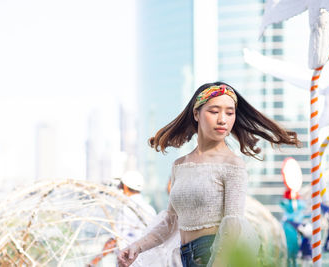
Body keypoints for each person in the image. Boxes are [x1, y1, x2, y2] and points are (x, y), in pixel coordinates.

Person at [118, 82, 301, 267]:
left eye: (229, 113)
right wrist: (136, 247)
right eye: (214, 111)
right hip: (183, 256)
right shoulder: (180, 165)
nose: (223, 120)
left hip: (213, 255)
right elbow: (171, 221)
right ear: (196, 114)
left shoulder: (232, 165)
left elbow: (233, 225)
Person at [88, 171, 156, 266]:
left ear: (124, 186)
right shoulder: (149, 209)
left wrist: (94, 261)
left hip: (128, 262)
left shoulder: (126, 208)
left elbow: (115, 239)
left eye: (120, 185)